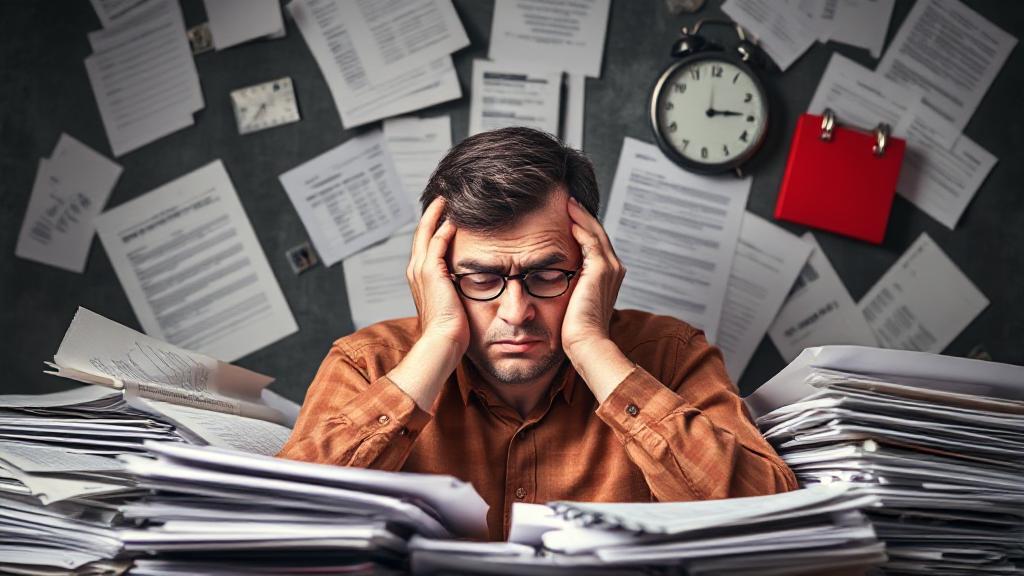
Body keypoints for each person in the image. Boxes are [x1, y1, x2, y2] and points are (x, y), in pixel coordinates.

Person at [277, 127, 797, 541]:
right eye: (481, 278)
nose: (516, 311)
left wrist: (592, 347)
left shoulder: (673, 356)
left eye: (547, 276)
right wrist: (437, 339)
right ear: (433, 274)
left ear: (594, 266)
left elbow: (778, 523)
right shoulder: (365, 365)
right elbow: (275, 527)